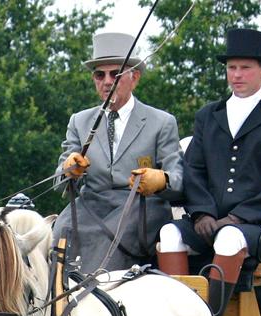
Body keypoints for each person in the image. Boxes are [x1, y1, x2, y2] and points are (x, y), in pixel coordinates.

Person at [157, 27, 261, 316]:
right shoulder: (208, 115)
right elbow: (194, 169)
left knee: (228, 237)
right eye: (231, 67)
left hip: (259, 227)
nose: (236, 75)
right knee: (168, 232)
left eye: (245, 68)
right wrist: (201, 213)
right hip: (210, 221)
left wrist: (236, 218)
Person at [52, 31, 184, 274]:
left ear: (135, 78)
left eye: (116, 74)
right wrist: (69, 169)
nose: (107, 81)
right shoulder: (80, 121)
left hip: (139, 208)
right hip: (91, 205)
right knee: (60, 230)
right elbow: (59, 183)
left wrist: (160, 180)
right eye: (99, 75)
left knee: (108, 238)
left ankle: (95, 297)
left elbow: (179, 179)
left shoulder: (161, 122)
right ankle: (55, 303)